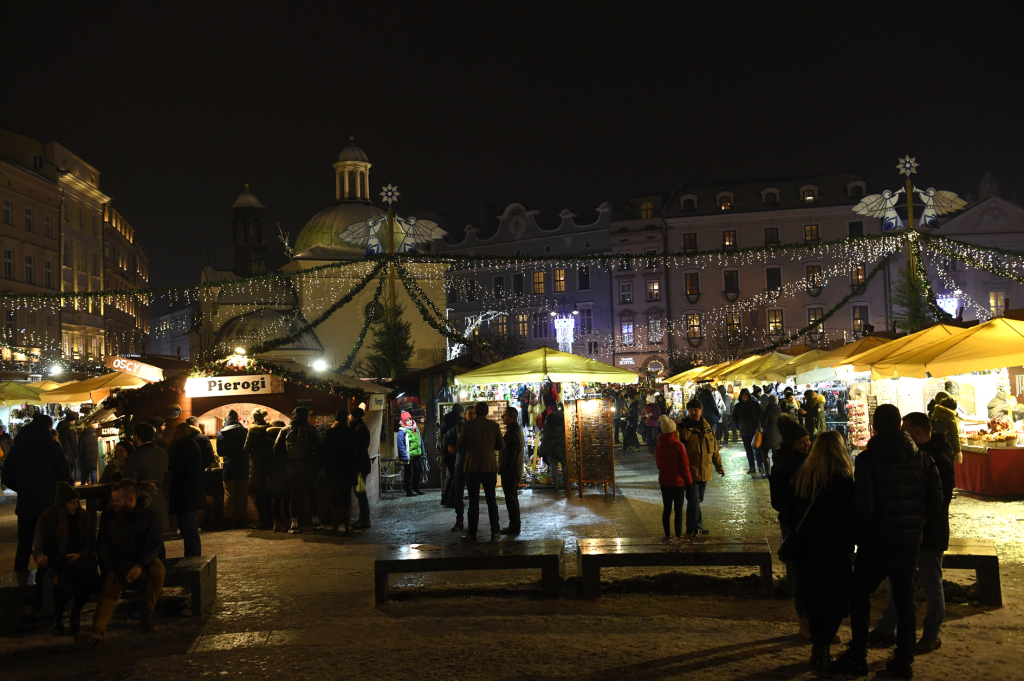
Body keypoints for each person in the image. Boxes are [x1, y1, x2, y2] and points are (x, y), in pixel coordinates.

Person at [835, 404, 943, 680]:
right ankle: (903, 659)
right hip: (909, 541)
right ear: (899, 426)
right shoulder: (923, 459)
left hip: (879, 541)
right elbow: (936, 502)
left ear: (874, 428)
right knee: (904, 598)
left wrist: (860, 538)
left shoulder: (869, 460)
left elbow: (864, 506)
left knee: (860, 594)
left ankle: (858, 654)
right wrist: (916, 525)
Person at [871, 412, 955, 655]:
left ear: (917, 432)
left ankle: (932, 634)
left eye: (905, 431)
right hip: (912, 530)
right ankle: (888, 627)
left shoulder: (937, 457)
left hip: (929, 532)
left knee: (931, 583)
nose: (901, 435)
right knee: (900, 581)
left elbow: (941, 499)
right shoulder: (917, 454)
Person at [783, 431, 855, 675]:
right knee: (835, 599)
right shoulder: (844, 481)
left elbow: (789, 514)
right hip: (834, 549)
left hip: (806, 548)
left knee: (813, 598)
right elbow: (850, 518)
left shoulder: (801, 477)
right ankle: (824, 647)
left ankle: (819, 647)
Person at [77, 479, 166, 646]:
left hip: (142, 563)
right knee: (109, 589)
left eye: (117, 500)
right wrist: (108, 570)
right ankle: (97, 629)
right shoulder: (110, 517)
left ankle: (148, 613)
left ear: (130, 500)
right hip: (118, 564)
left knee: (158, 570)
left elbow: (154, 545)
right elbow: (102, 546)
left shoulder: (149, 516)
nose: (113, 503)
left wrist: (140, 564)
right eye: (113, 499)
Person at [2, 414, 71, 570]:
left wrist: (23, 487)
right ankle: (50, 582)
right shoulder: (52, 446)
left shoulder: (18, 448)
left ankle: (19, 585)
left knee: (24, 545)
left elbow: (6, 476)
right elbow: (63, 473)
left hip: (26, 503)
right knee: (50, 545)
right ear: (48, 428)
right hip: (49, 503)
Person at [33, 482, 97, 636]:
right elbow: (38, 546)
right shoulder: (48, 518)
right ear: (62, 504)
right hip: (56, 561)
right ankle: (59, 616)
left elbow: (89, 543)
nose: (76, 505)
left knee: (87, 577)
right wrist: (40, 557)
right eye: (72, 502)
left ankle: (75, 615)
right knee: (63, 583)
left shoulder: (83, 517)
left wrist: (81, 555)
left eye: (77, 501)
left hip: (78, 560)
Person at [769, 415, 813, 638]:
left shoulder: (813, 462)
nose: (807, 444)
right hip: (793, 525)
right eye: (801, 442)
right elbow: (776, 501)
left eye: (807, 440)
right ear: (790, 444)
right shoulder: (782, 466)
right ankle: (804, 621)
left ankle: (816, 621)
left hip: (814, 524)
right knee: (800, 574)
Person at [456, 402, 505, 541]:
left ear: (476, 412)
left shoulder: (467, 426)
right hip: (489, 467)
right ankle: (495, 532)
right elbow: (501, 445)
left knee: (473, 501)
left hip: (472, 467)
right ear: (487, 412)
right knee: (491, 500)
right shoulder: (494, 426)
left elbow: (459, 445)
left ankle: (472, 533)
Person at [678, 399, 725, 536]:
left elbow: (714, 449)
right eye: (691, 410)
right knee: (693, 500)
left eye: (695, 410)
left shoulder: (708, 427)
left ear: (701, 411)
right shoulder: (682, 428)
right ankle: (695, 527)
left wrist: (719, 465)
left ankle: (692, 527)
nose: (693, 412)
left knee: (697, 500)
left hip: (704, 470)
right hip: (690, 471)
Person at [274, 406, 323, 534]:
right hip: (309, 466)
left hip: (291, 467)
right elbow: (320, 448)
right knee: (312, 493)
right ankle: (315, 521)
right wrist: (317, 464)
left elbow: (276, 448)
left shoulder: (285, 429)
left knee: (293, 494)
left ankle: (294, 524)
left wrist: (286, 459)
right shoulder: (311, 429)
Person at [167, 423, 207, 557]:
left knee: (189, 528)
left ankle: (193, 557)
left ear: (183, 433)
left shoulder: (184, 446)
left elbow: (173, 466)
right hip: (189, 494)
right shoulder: (190, 445)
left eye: (175, 434)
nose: (173, 436)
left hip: (186, 495)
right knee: (189, 528)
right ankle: (191, 555)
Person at [125, 422, 170, 539]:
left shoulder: (136, 456)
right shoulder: (163, 453)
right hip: (159, 499)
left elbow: (128, 481)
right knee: (158, 537)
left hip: (142, 502)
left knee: (145, 539)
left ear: (137, 437)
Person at [655, 414, 692, 538]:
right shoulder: (678, 446)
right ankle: (678, 535)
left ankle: (667, 534)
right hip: (678, 482)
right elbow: (684, 466)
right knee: (678, 511)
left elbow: (659, 465)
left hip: (664, 482)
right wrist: (689, 482)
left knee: (667, 509)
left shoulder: (659, 446)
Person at [322, 409, 358, 534]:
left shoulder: (330, 432)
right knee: (346, 497)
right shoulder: (351, 431)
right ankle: (348, 526)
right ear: (346, 419)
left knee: (335, 498)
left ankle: (335, 526)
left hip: (333, 469)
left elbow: (324, 450)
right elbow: (356, 449)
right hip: (347, 468)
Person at [245, 409, 278, 530]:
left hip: (257, 467)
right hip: (270, 466)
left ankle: (263, 521)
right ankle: (271, 520)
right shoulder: (270, 429)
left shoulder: (252, 431)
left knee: (258, 495)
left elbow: (246, 449)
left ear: (254, 418)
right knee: (269, 494)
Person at [217, 410, 250, 529]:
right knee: (242, 494)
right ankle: (242, 518)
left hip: (229, 467)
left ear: (227, 420)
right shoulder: (245, 431)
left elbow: (220, 452)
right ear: (237, 419)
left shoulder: (221, 433)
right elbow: (248, 449)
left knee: (228, 495)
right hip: (243, 466)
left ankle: (228, 519)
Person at [448, 406, 476, 531]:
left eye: (473, 413)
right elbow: (445, 437)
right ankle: (459, 521)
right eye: (469, 413)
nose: (471, 415)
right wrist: (449, 445)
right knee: (458, 494)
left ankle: (472, 525)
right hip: (460, 463)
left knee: (473, 495)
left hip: (474, 465)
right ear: (465, 414)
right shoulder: (459, 427)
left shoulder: (478, 427)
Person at [499, 406, 525, 535]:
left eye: (504, 415)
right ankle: (514, 525)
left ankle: (514, 526)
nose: (502, 417)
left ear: (512, 418)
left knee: (511, 500)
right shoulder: (515, 430)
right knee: (512, 498)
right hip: (515, 470)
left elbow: (510, 456)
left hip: (511, 471)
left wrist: (504, 470)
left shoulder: (512, 433)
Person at [349, 409, 372, 530]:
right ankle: (362, 518)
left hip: (360, 466)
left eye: (350, 415)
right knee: (360, 492)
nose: (349, 416)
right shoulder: (361, 427)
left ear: (355, 417)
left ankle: (365, 519)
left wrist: (357, 467)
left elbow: (359, 451)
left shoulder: (358, 429)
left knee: (360, 493)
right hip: (363, 465)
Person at [731, 388, 762, 475]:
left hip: (755, 431)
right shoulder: (738, 406)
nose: (744, 396)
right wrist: (738, 426)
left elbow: (761, 415)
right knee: (748, 451)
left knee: (757, 449)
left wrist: (759, 426)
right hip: (744, 431)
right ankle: (752, 467)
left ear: (748, 395)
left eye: (746, 395)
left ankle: (760, 466)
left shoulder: (755, 405)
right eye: (743, 395)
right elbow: (734, 418)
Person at [439, 404, 464, 506]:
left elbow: (443, 436)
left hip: (447, 451)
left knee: (452, 475)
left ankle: (445, 497)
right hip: (453, 451)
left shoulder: (446, 419)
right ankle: (452, 499)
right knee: (456, 476)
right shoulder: (457, 422)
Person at [538, 404, 568, 491]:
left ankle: (556, 485)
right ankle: (566, 484)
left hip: (550, 447)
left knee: (553, 466)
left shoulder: (548, 418)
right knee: (565, 465)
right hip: (562, 446)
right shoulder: (565, 418)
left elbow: (545, 432)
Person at [929, 391, 963, 464]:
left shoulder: (935, 414)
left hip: (935, 446)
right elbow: (954, 435)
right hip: (947, 447)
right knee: (948, 470)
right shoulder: (950, 417)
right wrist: (958, 452)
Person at [397, 411, 425, 496]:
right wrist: (404, 456)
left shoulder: (415, 429)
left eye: (410, 419)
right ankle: (409, 490)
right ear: (403, 422)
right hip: (408, 456)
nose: (409, 422)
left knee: (418, 471)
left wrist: (422, 452)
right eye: (407, 420)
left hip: (416, 455)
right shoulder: (402, 431)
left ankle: (416, 488)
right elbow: (400, 445)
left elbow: (420, 441)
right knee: (409, 473)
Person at [757, 394, 782, 477]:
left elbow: (763, 423)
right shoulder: (780, 410)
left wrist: (760, 418)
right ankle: (776, 471)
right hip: (778, 436)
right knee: (776, 455)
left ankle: (768, 472)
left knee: (765, 454)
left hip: (767, 435)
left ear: (768, 401)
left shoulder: (767, 411)